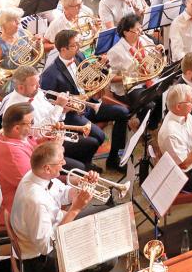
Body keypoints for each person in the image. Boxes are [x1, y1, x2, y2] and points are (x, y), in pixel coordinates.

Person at [11, 141, 113, 272]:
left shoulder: (37, 175)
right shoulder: (34, 201)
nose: (64, 162)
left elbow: (63, 193)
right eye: (60, 161)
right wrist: (75, 209)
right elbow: (46, 246)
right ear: (47, 168)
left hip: (56, 227)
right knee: (108, 260)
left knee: (104, 213)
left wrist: (82, 185)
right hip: (38, 260)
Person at [41, 29, 131, 172]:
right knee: (99, 136)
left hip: (88, 105)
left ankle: (114, 159)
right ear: (63, 49)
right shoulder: (50, 74)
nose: (78, 46)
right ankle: (84, 163)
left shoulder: (79, 55)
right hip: (71, 114)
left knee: (123, 112)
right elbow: (47, 104)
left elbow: (90, 77)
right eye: (75, 44)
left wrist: (102, 66)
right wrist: (65, 106)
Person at [0, 66, 100, 169]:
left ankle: (86, 165)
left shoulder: (36, 92)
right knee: (80, 164)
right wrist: (59, 106)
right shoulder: (16, 107)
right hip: (39, 145)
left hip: (52, 134)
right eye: (34, 85)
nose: (39, 86)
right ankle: (78, 168)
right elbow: (39, 132)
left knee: (92, 143)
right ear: (21, 87)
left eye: (38, 82)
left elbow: (50, 112)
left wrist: (63, 110)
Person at [0, 103, 53, 235]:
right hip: (13, 212)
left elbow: (32, 147)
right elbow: (39, 184)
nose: (34, 124)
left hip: (19, 194)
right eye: (31, 122)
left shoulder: (9, 137)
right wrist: (56, 151)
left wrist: (48, 141)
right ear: (16, 128)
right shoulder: (13, 155)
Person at [105, 14, 158, 99]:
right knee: (149, 102)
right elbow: (110, 78)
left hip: (149, 80)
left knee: (162, 95)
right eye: (137, 30)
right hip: (129, 89)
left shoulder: (144, 40)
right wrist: (133, 77)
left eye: (140, 28)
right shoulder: (114, 52)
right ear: (126, 32)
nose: (141, 32)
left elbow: (150, 61)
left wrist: (157, 53)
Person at [0, 7, 31, 97]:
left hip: (24, 76)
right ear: (5, 23)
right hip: (8, 84)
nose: (18, 22)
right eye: (14, 20)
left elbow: (31, 52)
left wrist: (37, 44)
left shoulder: (22, 33)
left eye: (18, 19)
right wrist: (11, 73)